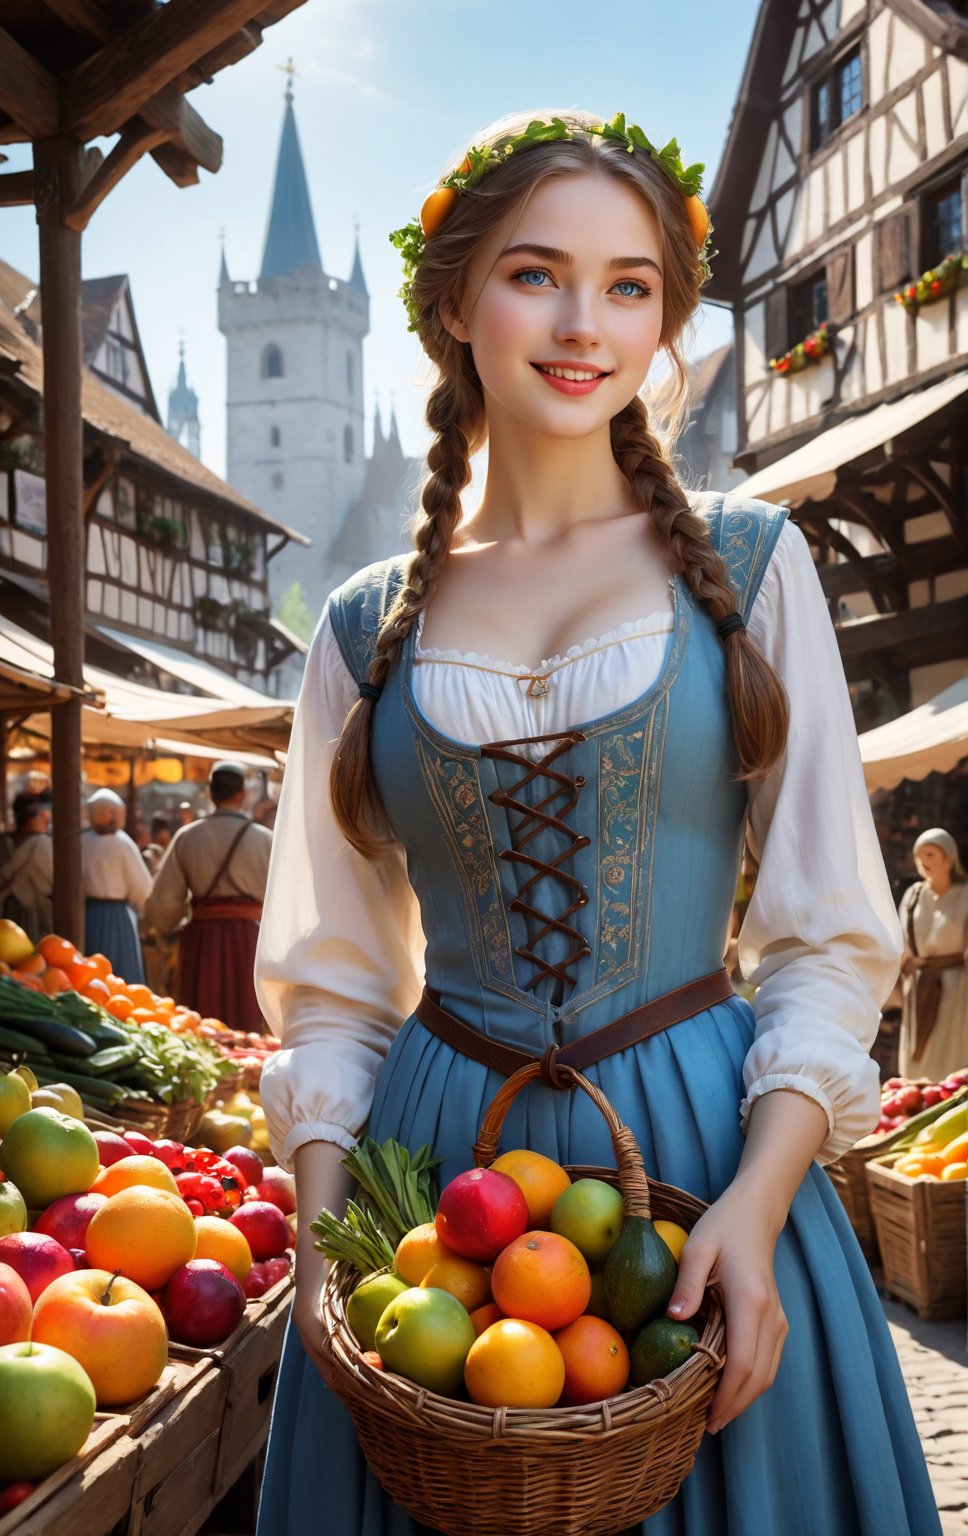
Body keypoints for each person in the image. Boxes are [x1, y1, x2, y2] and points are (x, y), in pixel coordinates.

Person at [253, 112, 938, 1535]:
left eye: (631, 285)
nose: (584, 324)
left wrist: (755, 1211)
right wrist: (329, 1252)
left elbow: (824, 940)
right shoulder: (362, 626)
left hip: (709, 1164)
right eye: (536, 274)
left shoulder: (753, 566)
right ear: (454, 300)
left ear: (667, 318)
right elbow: (331, 983)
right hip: (433, 1196)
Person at [145, 761, 272, 1030]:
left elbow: (163, 904)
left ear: (210, 793)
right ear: (241, 794)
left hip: (202, 939)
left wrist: (170, 926)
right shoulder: (264, 838)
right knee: (246, 1019)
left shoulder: (187, 836)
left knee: (200, 1020)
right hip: (249, 939)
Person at [897, 827, 968, 1082]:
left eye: (930, 854)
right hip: (917, 984)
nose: (923, 862)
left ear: (948, 858)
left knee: (949, 1051)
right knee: (917, 1053)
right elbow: (901, 939)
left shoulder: (965, 896)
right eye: (919, 856)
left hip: (955, 987)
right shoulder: (913, 895)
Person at [81, 789, 152, 982]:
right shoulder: (123, 843)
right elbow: (141, 887)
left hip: (89, 915)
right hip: (118, 917)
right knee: (121, 975)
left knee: (92, 975)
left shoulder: (83, 841)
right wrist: (144, 913)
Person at [0, 792, 53, 941]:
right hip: (28, 909)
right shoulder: (40, 842)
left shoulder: (4, 841)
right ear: (30, 817)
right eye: (42, 815)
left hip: (11, 908)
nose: (46, 819)